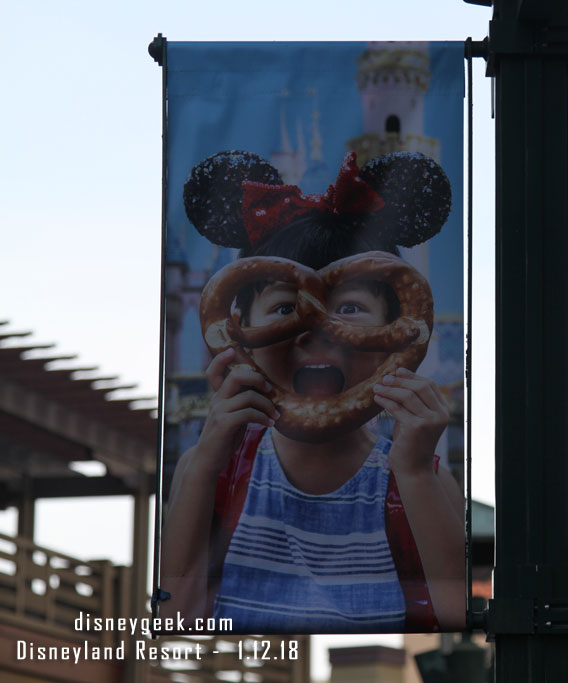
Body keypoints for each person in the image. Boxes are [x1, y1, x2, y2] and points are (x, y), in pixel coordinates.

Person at [160, 150, 464, 633]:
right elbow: (177, 617)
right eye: (285, 308)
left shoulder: (420, 478)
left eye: (348, 308)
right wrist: (206, 457)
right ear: (238, 333)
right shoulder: (211, 472)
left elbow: (455, 619)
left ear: (395, 332)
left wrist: (412, 472)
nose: (316, 330)